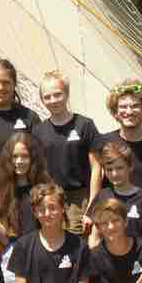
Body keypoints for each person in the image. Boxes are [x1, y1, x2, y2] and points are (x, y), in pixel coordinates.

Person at [31, 70, 101, 207]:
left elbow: (97, 168)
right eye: (47, 97)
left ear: (67, 94)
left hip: (80, 199)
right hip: (50, 198)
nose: (53, 100)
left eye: (57, 94)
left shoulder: (85, 125)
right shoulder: (38, 131)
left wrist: (92, 204)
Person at [87, 138, 142, 249]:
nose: (114, 174)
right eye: (109, 169)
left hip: (138, 257)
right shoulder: (102, 196)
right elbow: (95, 236)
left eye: (119, 168)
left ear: (130, 167)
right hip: (107, 257)